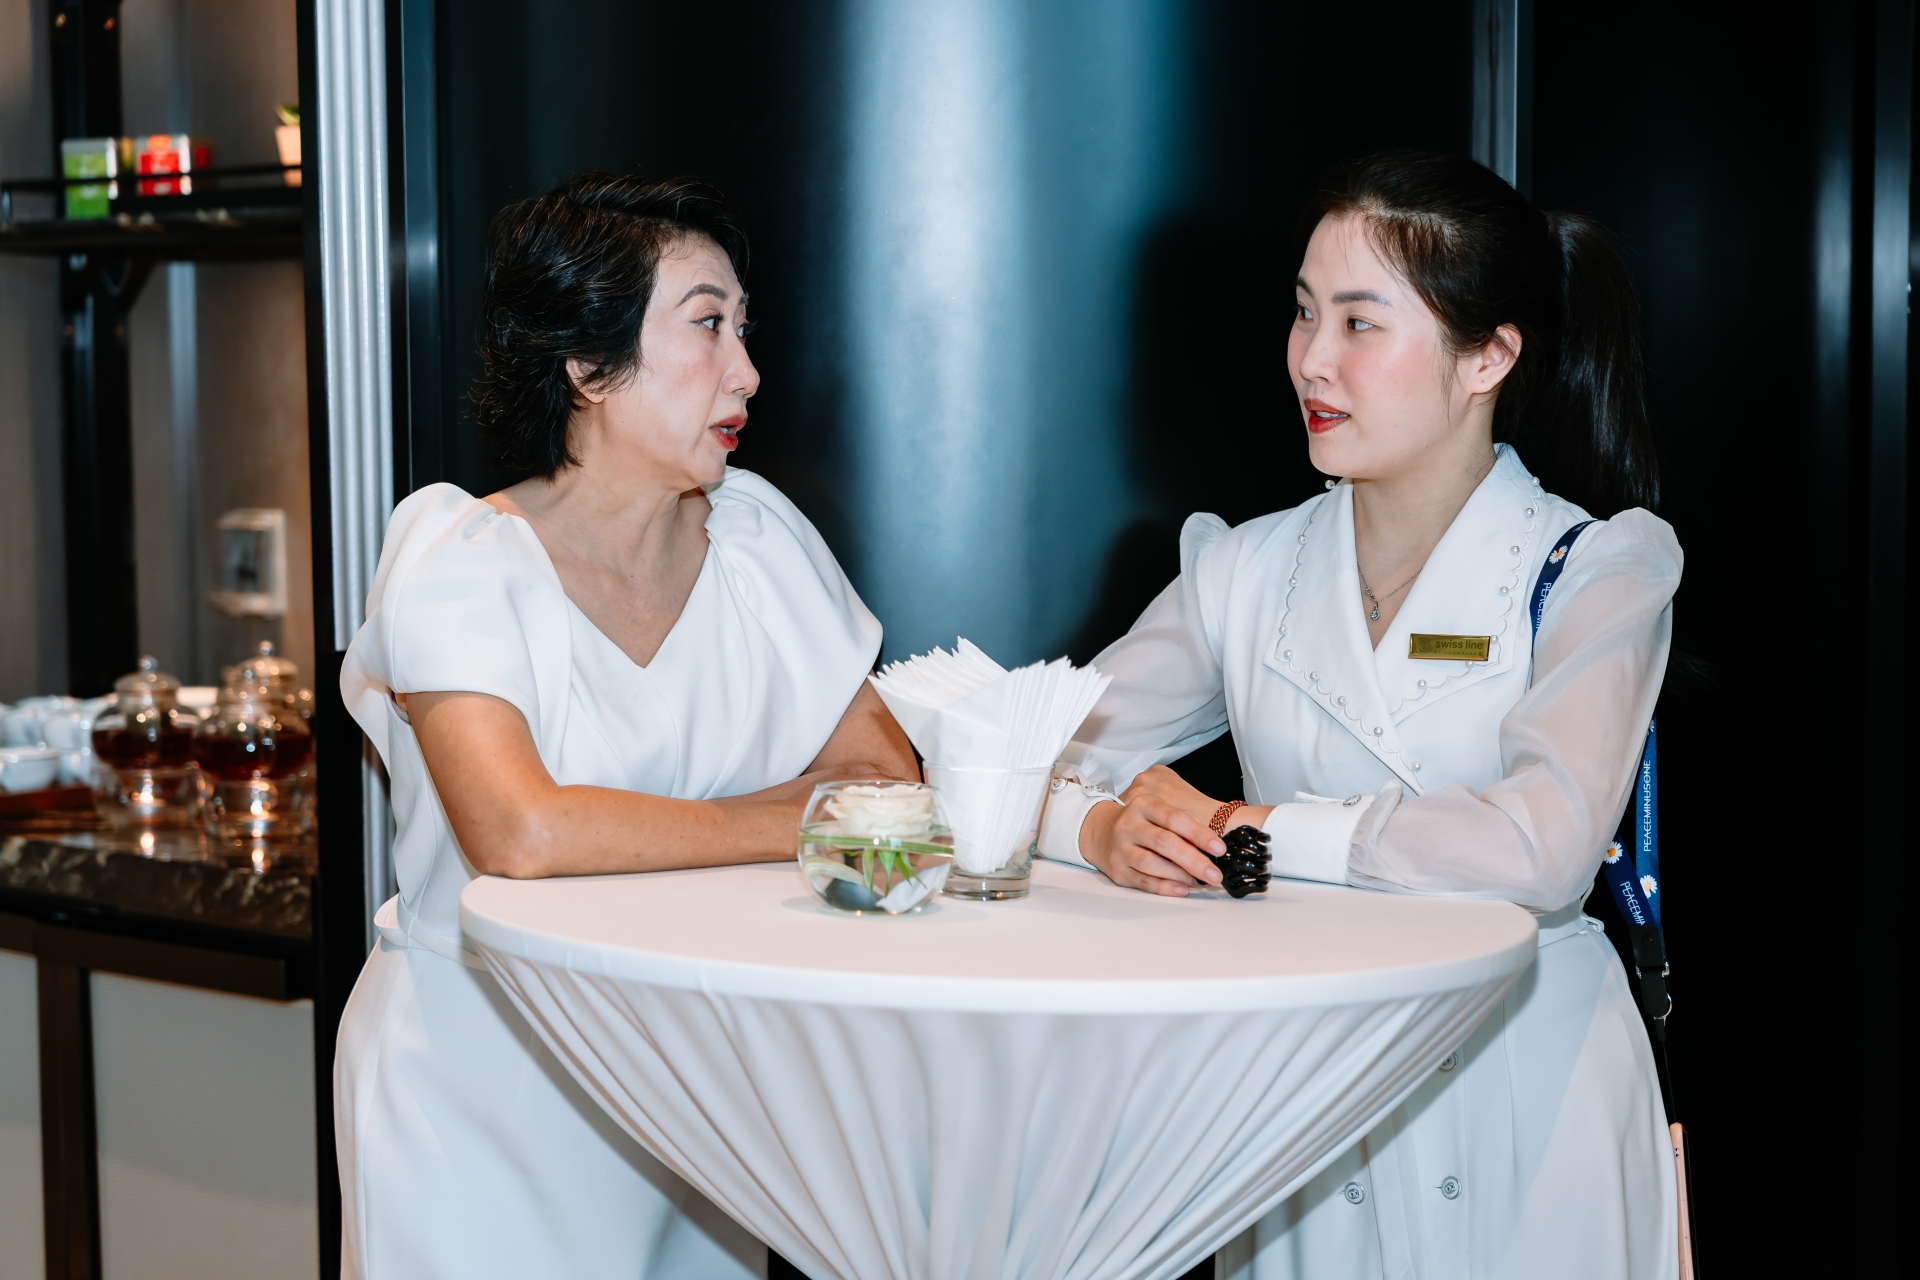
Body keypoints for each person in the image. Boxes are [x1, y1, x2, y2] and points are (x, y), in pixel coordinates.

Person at [1036, 151, 1681, 1278]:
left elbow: (1542, 846)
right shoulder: (1243, 570)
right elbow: (1018, 753)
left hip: (1528, 1085)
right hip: (1306, 1088)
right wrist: (1099, 827)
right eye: (1303, 312)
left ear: (1489, 356)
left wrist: (1254, 830)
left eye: (1359, 323)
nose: (1312, 360)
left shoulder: (1595, 569)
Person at [335, 173, 915, 1279]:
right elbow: (522, 831)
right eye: (706, 324)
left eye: (743, 328)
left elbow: (886, 779)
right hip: (481, 1098)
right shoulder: (459, 558)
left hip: (695, 1092)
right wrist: (797, 818)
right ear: (588, 366)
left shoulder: (759, 540)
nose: (746, 370)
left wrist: (643, 825)